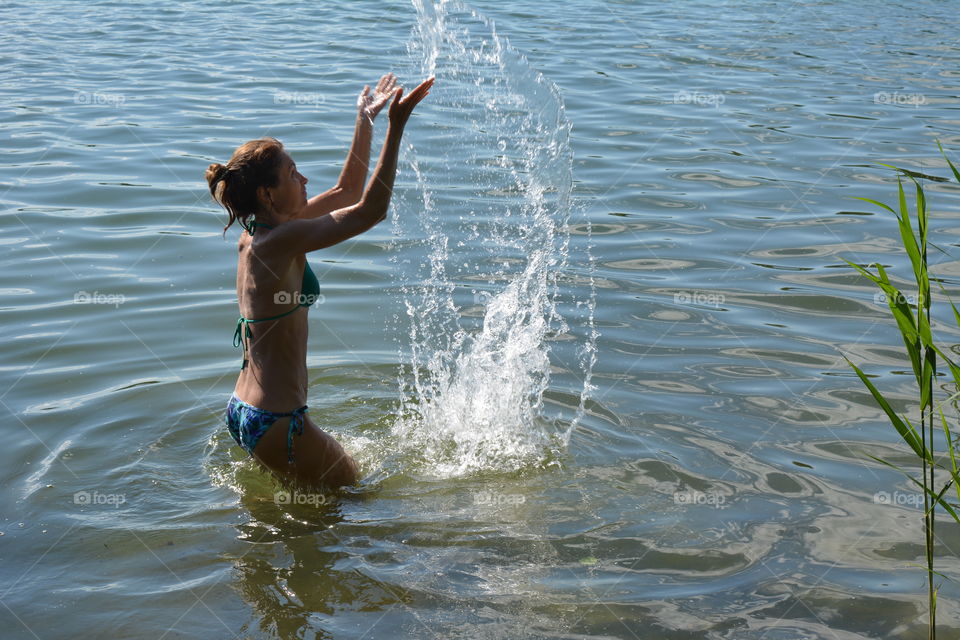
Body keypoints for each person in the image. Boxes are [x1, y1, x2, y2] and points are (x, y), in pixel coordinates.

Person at [205, 74, 434, 489]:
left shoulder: (259, 234)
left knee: (298, 509)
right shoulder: (283, 239)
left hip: (245, 411)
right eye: (293, 174)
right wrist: (396, 128)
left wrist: (365, 119)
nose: (305, 180)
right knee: (353, 501)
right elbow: (370, 211)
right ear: (267, 194)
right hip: (278, 421)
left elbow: (348, 191)